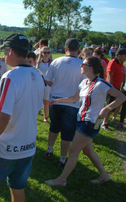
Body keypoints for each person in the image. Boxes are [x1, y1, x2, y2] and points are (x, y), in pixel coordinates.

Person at [0, 34, 44, 202]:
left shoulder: (10, 76)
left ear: (10, 51)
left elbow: (3, 116)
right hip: (29, 147)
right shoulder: (38, 75)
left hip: (6, 148)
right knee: (17, 187)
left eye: (4, 51)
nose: (3, 55)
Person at [45, 57, 126, 186]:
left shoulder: (100, 84)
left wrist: (107, 109)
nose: (81, 66)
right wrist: (58, 100)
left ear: (91, 68)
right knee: (87, 151)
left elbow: (122, 97)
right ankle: (104, 175)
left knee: (73, 152)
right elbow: (74, 98)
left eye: (83, 64)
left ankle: (61, 180)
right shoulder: (84, 83)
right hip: (81, 121)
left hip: (90, 123)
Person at [44, 38, 85, 166]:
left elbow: (47, 80)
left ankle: (49, 150)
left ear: (65, 48)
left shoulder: (56, 61)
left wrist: (55, 84)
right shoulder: (83, 64)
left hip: (54, 100)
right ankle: (62, 158)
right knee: (67, 132)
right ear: (78, 49)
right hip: (72, 103)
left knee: (54, 126)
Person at [101, 48, 126, 129]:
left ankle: (105, 121)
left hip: (117, 88)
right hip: (112, 88)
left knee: (113, 107)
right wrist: (111, 89)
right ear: (119, 56)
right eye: (125, 55)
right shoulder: (113, 62)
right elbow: (109, 76)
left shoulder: (121, 63)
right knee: (110, 106)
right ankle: (104, 123)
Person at [36, 47, 52, 123]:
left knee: (46, 101)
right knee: (37, 100)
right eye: (45, 52)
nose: (46, 54)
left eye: (48, 52)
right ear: (41, 53)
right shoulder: (38, 63)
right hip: (39, 84)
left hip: (48, 85)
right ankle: (36, 114)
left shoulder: (52, 63)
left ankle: (45, 117)